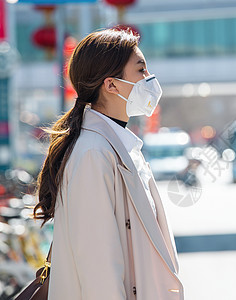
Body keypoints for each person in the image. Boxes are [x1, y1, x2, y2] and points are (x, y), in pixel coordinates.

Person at [32, 28, 184, 299]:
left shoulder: (115, 146)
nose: (149, 80)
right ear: (111, 85)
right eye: (141, 71)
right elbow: (97, 264)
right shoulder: (94, 152)